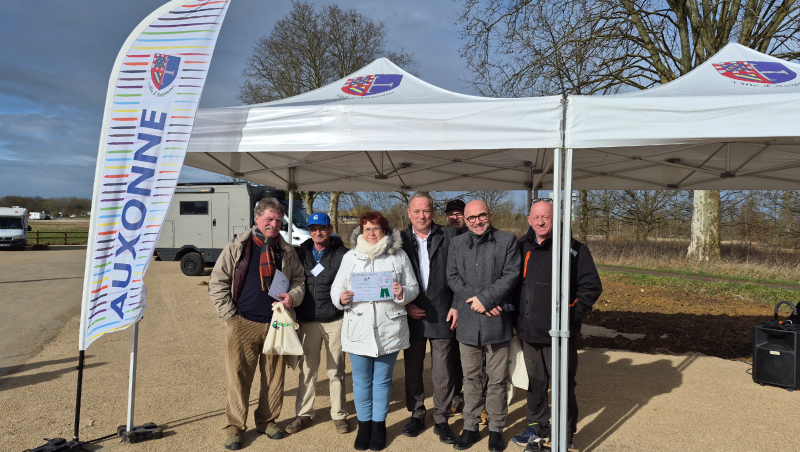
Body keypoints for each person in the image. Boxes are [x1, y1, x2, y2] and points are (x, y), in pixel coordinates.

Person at [208, 198, 306, 451]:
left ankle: (267, 421)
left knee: (274, 378)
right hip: (243, 322)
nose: (273, 224)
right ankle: (234, 427)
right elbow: (217, 282)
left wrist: (292, 297)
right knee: (238, 377)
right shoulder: (238, 247)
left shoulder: (286, 250)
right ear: (257, 219)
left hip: (276, 323)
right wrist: (230, 315)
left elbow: (298, 280)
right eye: (269, 219)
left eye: (277, 220)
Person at [511, 199, 602, 450]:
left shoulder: (573, 249)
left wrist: (569, 315)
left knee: (562, 383)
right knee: (535, 383)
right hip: (529, 332)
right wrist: (513, 317)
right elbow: (512, 286)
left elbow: (591, 287)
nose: (540, 222)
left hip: (559, 333)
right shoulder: (519, 247)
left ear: (556, 219)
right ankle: (536, 428)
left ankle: (564, 432)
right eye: (536, 217)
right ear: (529, 220)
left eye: (546, 217)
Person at [331, 212, 419, 451]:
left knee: (382, 381)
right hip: (358, 327)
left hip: (388, 328)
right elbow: (337, 286)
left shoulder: (398, 255)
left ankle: (379, 426)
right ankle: (364, 426)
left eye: (376, 229)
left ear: (385, 231)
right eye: (367, 229)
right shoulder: (351, 257)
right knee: (360, 382)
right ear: (360, 231)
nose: (371, 233)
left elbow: (413, 287)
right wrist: (341, 297)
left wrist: (403, 292)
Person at [446, 200, 521, 452]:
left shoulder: (507, 240)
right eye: (471, 218)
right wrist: (481, 300)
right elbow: (453, 276)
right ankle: (470, 425)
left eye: (481, 216)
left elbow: (510, 275)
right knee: (471, 378)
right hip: (468, 323)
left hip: (496, 323)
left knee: (497, 380)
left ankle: (497, 428)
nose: (477, 221)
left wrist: (486, 300)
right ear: (465, 221)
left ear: (489, 215)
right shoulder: (456, 244)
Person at [399, 192, 459, 443]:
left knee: (443, 370)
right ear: (409, 213)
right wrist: (405, 305)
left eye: (426, 211)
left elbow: (461, 274)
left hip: (443, 312)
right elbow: (391, 278)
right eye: (416, 211)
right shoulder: (398, 239)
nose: (421, 216)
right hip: (411, 312)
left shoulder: (451, 235)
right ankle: (417, 413)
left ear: (433, 212)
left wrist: (456, 305)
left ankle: (442, 417)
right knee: (412, 368)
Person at [289, 212, 350, 435]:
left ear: (330, 229)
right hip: (307, 321)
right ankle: (304, 414)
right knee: (307, 371)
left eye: (322, 228)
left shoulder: (343, 254)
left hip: (334, 320)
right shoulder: (300, 253)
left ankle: (339, 414)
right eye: (313, 228)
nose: (318, 232)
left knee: (336, 370)